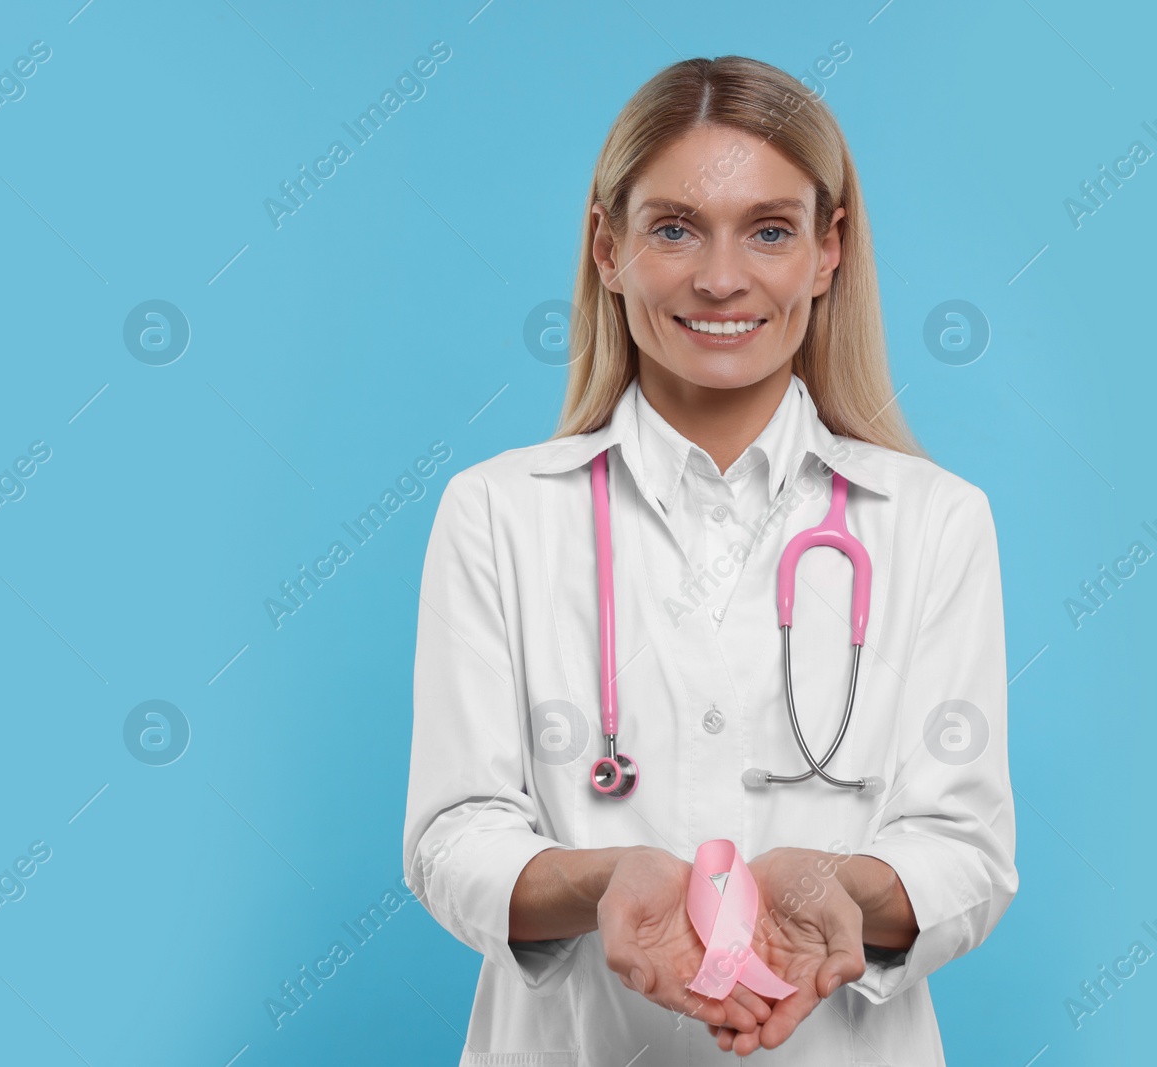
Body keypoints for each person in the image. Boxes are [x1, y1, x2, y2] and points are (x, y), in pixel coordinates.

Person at [402, 55, 1016, 1064]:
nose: (720, 277)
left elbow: (965, 851)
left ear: (827, 251)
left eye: (769, 231)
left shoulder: (934, 520)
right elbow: (451, 834)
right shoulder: (498, 511)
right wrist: (604, 882)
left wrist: (836, 890)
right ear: (608, 248)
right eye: (674, 228)